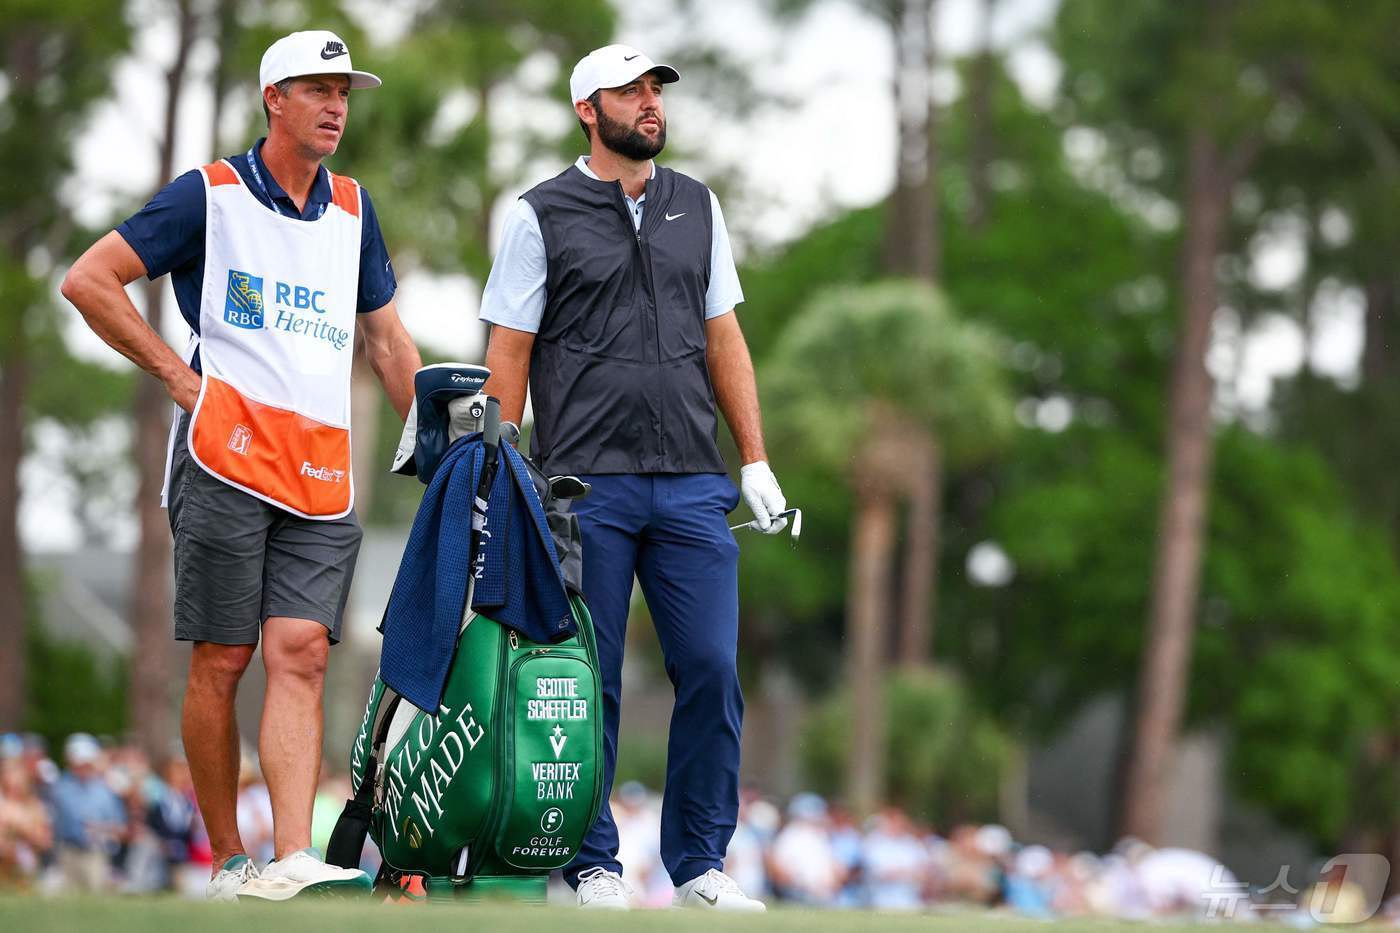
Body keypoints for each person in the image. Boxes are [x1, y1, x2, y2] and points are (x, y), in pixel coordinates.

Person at [61, 29, 422, 901]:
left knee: (299, 651)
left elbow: (384, 337)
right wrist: (189, 386)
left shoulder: (353, 208)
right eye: (317, 89)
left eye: (345, 92)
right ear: (275, 98)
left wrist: (437, 444)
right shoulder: (211, 195)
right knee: (223, 659)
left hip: (323, 469)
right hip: (225, 460)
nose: (337, 106)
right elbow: (90, 280)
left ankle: (292, 854)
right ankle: (228, 859)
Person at [477, 43, 786, 912]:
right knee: (590, 678)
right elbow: (509, 352)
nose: (650, 103)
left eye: (656, 90)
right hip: (584, 483)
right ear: (588, 108)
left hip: (692, 478)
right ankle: (590, 861)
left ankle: (698, 864)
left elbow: (724, 337)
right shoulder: (541, 213)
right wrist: (496, 470)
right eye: (631, 90)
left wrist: (754, 457)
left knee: (711, 669)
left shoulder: (698, 204)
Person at [46, 734, 125, 893]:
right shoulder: (59, 788)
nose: (82, 767)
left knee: (95, 895)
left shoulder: (105, 790)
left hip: (96, 852)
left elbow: (120, 826)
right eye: (79, 762)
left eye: (86, 762)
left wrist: (101, 829)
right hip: (66, 852)